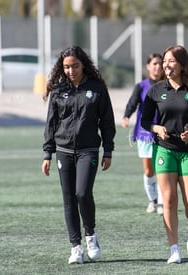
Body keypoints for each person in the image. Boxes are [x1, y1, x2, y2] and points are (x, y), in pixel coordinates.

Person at [41, 46, 116, 264]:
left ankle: (91, 235)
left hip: (88, 150)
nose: (71, 70)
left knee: (82, 193)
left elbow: (107, 122)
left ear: (83, 64)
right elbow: (51, 124)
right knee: (68, 199)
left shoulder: (97, 88)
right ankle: (76, 247)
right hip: (63, 151)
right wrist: (47, 153)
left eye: (75, 66)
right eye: (66, 67)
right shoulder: (58, 90)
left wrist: (108, 150)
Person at [141, 45, 188, 264]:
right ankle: (174, 248)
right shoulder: (156, 90)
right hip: (164, 149)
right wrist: (156, 129)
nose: (166, 65)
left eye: (171, 61)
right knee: (169, 200)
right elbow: (144, 121)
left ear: (182, 64)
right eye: (164, 61)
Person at [122, 53, 164, 215]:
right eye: (154, 63)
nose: (157, 67)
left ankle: (161, 202)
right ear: (148, 66)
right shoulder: (141, 86)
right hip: (145, 132)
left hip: (162, 132)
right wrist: (126, 116)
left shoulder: (167, 85)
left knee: (160, 167)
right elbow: (133, 102)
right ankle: (152, 200)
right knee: (149, 170)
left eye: (160, 63)